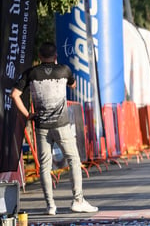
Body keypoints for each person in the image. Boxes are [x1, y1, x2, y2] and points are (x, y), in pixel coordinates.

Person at [11, 42, 98, 215]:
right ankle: (78, 200)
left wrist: (28, 115)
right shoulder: (64, 70)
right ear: (55, 56)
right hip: (62, 125)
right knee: (73, 160)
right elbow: (73, 84)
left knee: (44, 166)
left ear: (40, 57)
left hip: (41, 126)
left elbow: (14, 94)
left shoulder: (31, 73)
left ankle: (50, 205)